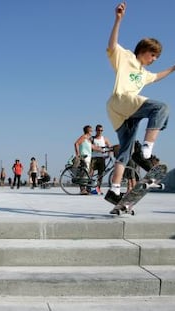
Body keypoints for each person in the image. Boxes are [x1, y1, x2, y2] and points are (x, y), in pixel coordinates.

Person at [104, 2, 172, 207]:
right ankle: (146, 152)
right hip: (121, 100)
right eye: (153, 55)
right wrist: (118, 20)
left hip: (120, 113)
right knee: (161, 108)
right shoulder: (125, 57)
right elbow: (111, 46)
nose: (154, 60)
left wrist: (173, 68)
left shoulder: (144, 74)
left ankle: (114, 190)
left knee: (124, 151)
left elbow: (158, 76)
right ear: (144, 50)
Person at [90, 125, 112, 195]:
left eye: (101, 130)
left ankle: (98, 189)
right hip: (93, 158)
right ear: (96, 130)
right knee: (90, 173)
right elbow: (89, 146)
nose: (100, 132)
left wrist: (109, 155)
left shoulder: (104, 139)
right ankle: (88, 188)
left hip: (102, 158)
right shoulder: (92, 138)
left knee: (101, 175)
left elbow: (110, 147)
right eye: (99, 130)